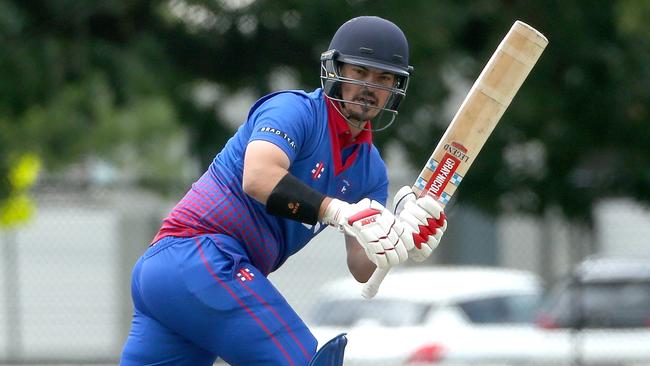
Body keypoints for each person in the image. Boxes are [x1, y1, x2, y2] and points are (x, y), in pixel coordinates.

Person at [120, 15, 447, 366]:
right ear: (335, 71)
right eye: (359, 72)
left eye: (383, 77)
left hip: (185, 277)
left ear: (396, 86)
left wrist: (401, 236)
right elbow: (258, 177)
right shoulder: (294, 110)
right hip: (198, 257)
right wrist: (335, 210)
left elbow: (362, 266)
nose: (369, 86)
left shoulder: (371, 169)